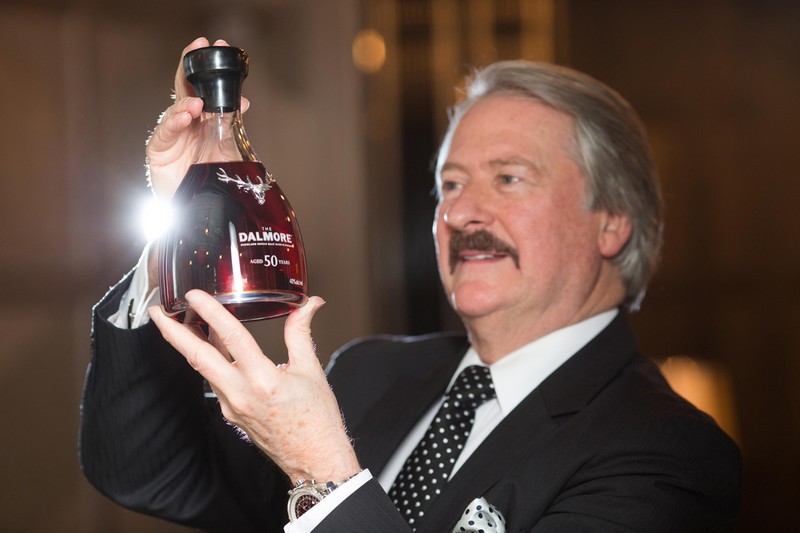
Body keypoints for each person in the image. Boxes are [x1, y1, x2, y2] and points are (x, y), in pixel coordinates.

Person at [79, 37, 741, 532]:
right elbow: (147, 472)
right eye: (450, 184)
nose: (462, 212)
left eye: (508, 178)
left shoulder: (666, 452)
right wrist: (185, 221)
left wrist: (323, 473)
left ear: (613, 221)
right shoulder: (372, 373)